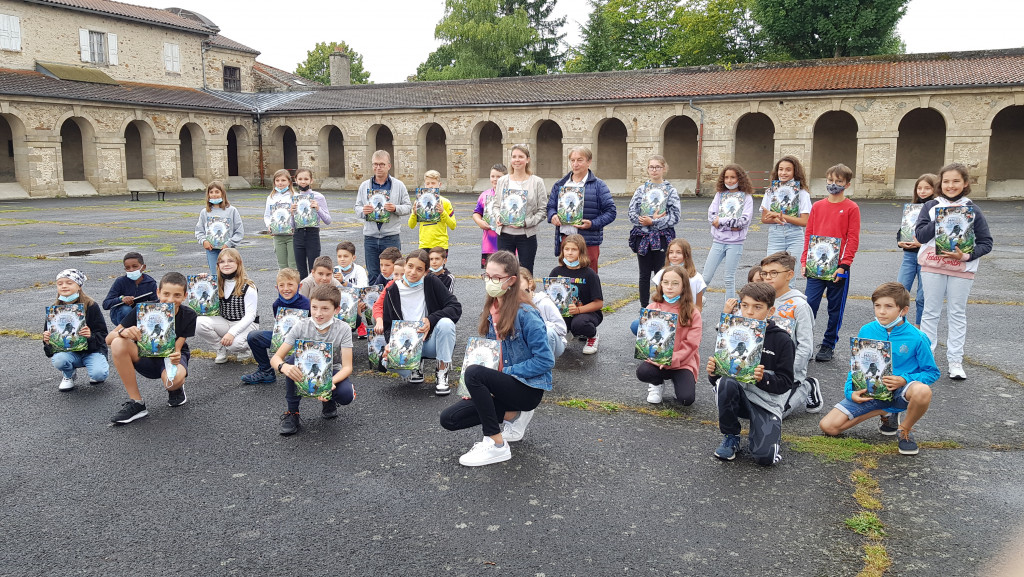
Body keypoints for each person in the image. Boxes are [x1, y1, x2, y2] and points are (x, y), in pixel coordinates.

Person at [440, 251, 555, 467]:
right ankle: (513, 416)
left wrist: (500, 375)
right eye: (487, 276)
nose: (490, 282)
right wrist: (473, 388)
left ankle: (496, 445)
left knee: (474, 373)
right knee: (449, 419)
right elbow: (492, 355)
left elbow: (545, 361)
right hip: (503, 387)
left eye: (496, 278)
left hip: (526, 389)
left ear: (511, 280)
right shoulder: (493, 309)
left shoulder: (526, 314)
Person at [819, 283, 940, 455]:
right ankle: (885, 411)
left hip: (901, 391)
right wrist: (850, 392)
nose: (881, 311)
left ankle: (904, 429)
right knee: (828, 427)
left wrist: (904, 379)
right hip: (872, 391)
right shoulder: (867, 330)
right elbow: (856, 365)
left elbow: (932, 372)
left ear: (903, 311)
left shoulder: (917, 337)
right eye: (877, 306)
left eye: (889, 306)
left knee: (922, 391)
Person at [914, 163, 994, 380]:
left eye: (956, 181)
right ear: (941, 183)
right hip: (932, 266)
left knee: (957, 313)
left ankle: (955, 361)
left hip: (962, 269)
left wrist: (966, 256)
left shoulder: (972, 209)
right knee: (930, 311)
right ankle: (927, 360)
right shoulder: (930, 206)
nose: (951, 185)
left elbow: (987, 243)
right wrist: (942, 218)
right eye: (946, 181)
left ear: (965, 183)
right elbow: (920, 236)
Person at [707, 282, 795, 465]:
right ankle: (731, 435)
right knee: (726, 382)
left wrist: (764, 379)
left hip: (766, 403)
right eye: (744, 306)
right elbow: (720, 377)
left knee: (764, 458)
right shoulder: (731, 331)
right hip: (739, 397)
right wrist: (713, 372)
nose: (749, 312)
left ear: (771, 311)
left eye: (758, 307)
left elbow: (786, 382)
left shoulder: (782, 340)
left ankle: (804, 391)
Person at [106, 272, 197, 425]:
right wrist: (124, 332)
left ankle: (176, 389)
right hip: (144, 355)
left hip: (169, 356)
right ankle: (137, 403)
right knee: (118, 342)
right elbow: (108, 338)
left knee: (172, 381)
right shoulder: (143, 310)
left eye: (177, 295)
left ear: (185, 296)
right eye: (166, 294)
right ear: (158, 292)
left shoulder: (189, 315)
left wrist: (176, 355)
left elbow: (178, 347)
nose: (170, 300)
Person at [272, 285, 355, 436]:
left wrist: (330, 383)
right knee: (292, 361)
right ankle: (293, 413)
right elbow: (276, 358)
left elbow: (347, 367)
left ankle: (329, 401)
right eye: (314, 307)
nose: (318, 313)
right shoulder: (301, 325)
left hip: (331, 370)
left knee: (346, 394)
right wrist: (283, 367)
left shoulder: (343, 329)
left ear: (336, 309)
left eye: (325, 308)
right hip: (305, 369)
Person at [379, 249, 462, 395]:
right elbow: (387, 325)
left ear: (426, 272)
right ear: (404, 265)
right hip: (407, 345)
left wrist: (431, 319)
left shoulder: (431, 282)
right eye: (410, 266)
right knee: (386, 363)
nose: (412, 272)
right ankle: (414, 367)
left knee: (446, 323)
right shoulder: (392, 290)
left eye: (419, 269)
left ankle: (442, 373)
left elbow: (455, 307)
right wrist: (389, 344)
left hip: (430, 341)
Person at [802, 163, 861, 363]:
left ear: (847, 184)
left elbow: (852, 238)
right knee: (809, 305)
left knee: (835, 308)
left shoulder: (851, 208)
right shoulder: (817, 206)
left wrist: (844, 264)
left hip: (838, 267)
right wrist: (804, 261)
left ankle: (828, 344)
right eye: (830, 181)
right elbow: (809, 235)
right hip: (815, 266)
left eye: (838, 182)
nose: (833, 184)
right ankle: (806, 343)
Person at [754, 251, 819, 415]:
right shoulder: (759, 301)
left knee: (776, 413)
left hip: (787, 372)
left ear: (790, 274)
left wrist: (790, 371)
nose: (768, 277)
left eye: (774, 273)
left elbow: (805, 347)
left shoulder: (800, 306)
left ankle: (806, 386)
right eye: (764, 273)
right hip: (762, 369)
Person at [636, 265, 702, 406]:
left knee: (686, 399)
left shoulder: (693, 313)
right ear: (660, 285)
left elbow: (691, 345)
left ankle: (679, 381)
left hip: (682, 363)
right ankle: (656, 384)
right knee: (643, 372)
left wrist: (672, 359)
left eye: (675, 283)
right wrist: (654, 357)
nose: (669, 287)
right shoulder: (652, 308)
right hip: (656, 361)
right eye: (665, 282)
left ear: (684, 286)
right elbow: (646, 339)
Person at [547, 146, 617, 271]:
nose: (575, 164)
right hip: (566, 239)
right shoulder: (560, 184)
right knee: (567, 277)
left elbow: (611, 211)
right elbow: (551, 207)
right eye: (572, 160)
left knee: (589, 277)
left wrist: (592, 224)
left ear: (589, 162)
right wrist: (553, 216)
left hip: (588, 241)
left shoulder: (599, 185)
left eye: (580, 160)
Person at [241, 268, 310, 385]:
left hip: (304, 342)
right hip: (285, 339)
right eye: (281, 285)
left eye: (290, 284)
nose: (286, 289)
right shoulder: (276, 304)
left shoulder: (307, 304)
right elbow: (279, 328)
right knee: (254, 337)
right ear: (276, 287)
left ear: (299, 286)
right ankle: (266, 371)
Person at [43, 269, 109, 391]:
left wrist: (90, 336)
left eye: (69, 282)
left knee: (98, 375)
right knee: (59, 360)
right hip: (69, 352)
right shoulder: (54, 309)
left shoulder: (91, 305)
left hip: (92, 351)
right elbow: (50, 344)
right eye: (60, 283)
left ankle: (97, 367)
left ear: (79, 286)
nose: (64, 286)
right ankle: (68, 375)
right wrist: (47, 341)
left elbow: (103, 333)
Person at [627, 155, 680, 308]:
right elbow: (632, 213)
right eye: (651, 167)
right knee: (644, 275)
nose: (654, 170)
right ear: (647, 169)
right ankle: (644, 307)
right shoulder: (641, 190)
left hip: (662, 238)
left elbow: (675, 216)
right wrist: (645, 220)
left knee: (662, 274)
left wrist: (654, 222)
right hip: (643, 238)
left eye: (658, 167)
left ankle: (661, 306)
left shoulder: (670, 191)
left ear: (664, 169)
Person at [195, 248, 259, 364]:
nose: (226, 264)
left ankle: (246, 349)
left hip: (247, 325)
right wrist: (201, 281)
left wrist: (231, 333)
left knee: (234, 345)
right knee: (199, 322)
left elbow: (250, 316)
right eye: (222, 262)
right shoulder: (215, 283)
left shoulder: (249, 286)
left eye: (230, 261)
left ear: (238, 263)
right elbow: (203, 307)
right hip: (225, 321)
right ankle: (220, 348)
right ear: (218, 265)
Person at [490, 144, 547, 274]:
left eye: (521, 157)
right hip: (505, 234)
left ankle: (525, 295)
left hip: (526, 236)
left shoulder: (537, 182)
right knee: (504, 271)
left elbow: (543, 210)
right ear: (510, 160)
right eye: (514, 157)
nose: (517, 160)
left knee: (525, 272)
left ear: (527, 159)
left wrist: (527, 222)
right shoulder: (503, 181)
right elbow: (496, 205)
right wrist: (498, 217)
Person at [355, 150, 412, 281]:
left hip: (390, 236)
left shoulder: (398, 185)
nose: (378, 167)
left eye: (381, 164)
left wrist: (395, 208)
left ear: (389, 166)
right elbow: (356, 208)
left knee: (394, 273)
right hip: (370, 237)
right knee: (373, 274)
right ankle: (376, 301)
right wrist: (364, 211)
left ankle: (392, 300)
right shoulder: (364, 186)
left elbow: (408, 207)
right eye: (375, 164)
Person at [702, 164, 754, 301]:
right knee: (705, 277)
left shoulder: (747, 198)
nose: (729, 181)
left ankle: (729, 314)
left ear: (740, 179)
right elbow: (711, 217)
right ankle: (692, 306)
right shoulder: (719, 195)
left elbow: (743, 222)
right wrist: (730, 224)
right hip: (718, 242)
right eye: (726, 177)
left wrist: (722, 221)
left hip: (735, 244)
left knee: (729, 279)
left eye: (733, 177)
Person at [548, 234, 603, 355]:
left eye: (574, 249)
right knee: (551, 323)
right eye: (566, 249)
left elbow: (599, 303)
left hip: (587, 313)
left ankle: (593, 336)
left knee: (579, 324)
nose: (569, 252)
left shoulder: (589, 274)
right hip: (564, 312)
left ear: (581, 252)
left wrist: (578, 310)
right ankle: (566, 331)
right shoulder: (556, 272)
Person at [897, 174, 938, 327]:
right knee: (900, 291)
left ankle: (920, 327)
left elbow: (939, 236)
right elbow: (901, 231)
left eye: (927, 188)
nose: (922, 191)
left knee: (922, 296)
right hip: (909, 256)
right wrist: (901, 242)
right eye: (919, 188)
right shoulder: (912, 208)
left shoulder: (937, 209)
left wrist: (923, 245)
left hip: (927, 256)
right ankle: (898, 325)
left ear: (935, 189)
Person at [760, 156, 812, 256]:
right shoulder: (770, 191)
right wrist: (775, 219)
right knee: (772, 268)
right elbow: (764, 218)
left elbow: (805, 221)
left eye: (788, 170)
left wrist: (781, 216)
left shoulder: (802, 193)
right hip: (775, 235)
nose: (783, 173)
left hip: (795, 236)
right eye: (781, 169)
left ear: (795, 172)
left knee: (791, 270)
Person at [194, 180, 243, 278]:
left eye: (217, 192)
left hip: (228, 249)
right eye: (211, 192)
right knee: (215, 275)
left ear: (222, 193)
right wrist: (204, 241)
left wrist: (228, 244)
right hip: (211, 250)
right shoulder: (205, 212)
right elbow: (199, 231)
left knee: (229, 275)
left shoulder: (232, 211)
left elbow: (239, 231)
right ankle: (219, 293)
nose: (214, 195)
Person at [291, 168, 333, 279]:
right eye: (300, 179)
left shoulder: (318, 197)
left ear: (311, 180)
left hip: (312, 234)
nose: (303, 181)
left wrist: (318, 208)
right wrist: (291, 213)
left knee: (314, 269)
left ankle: (315, 295)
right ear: (295, 180)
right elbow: (291, 226)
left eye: (306, 179)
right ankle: (303, 295)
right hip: (298, 235)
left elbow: (328, 220)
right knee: (300, 271)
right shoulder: (293, 198)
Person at [520, 267, 566, 359]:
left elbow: (562, 329)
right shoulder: (513, 304)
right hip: (528, 343)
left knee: (547, 332)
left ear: (530, 283)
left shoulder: (544, 302)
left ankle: (545, 362)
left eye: (519, 283)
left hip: (554, 343)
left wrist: (539, 324)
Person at [102, 252, 158, 327]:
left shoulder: (150, 283)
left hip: (140, 313)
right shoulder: (120, 282)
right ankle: (124, 332)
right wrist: (121, 299)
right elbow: (106, 304)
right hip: (120, 314)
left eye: (135, 266)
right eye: (128, 268)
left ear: (143, 267)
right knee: (126, 309)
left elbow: (156, 304)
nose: (131, 270)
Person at [652, 238, 706, 311]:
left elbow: (698, 307)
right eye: (671, 252)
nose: (674, 255)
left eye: (678, 252)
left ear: (686, 255)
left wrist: (694, 319)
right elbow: (659, 298)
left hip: (687, 315)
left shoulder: (696, 277)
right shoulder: (662, 273)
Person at [409, 170, 457, 250]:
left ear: (439, 184)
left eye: (433, 183)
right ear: (424, 185)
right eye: (428, 183)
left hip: (441, 245)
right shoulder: (418, 202)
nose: (430, 186)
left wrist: (443, 212)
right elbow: (411, 225)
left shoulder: (445, 202)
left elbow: (453, 225)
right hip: (424, 245)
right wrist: (414, 214)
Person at [472, 163, 507, 268]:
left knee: (507, 272)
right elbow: (476, 213)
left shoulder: (510, 195)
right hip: (489, 243)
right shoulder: (484, 195)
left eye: (498, 177)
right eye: (493, 176)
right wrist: (479, 222)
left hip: (507, 241)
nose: (495, 179)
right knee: (490, 273)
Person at [264, 169, 298, 270]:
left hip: (292, 235)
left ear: (289, 182)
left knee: (293, 265)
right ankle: (283, 285)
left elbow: (299, 215)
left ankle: (294, 285)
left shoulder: (295, 196)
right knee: (282, 265)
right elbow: (267, 216)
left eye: (283, 180)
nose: (280, 183)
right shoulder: (271, 197)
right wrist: (269, 225)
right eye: (277, 180)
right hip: (278, 236)